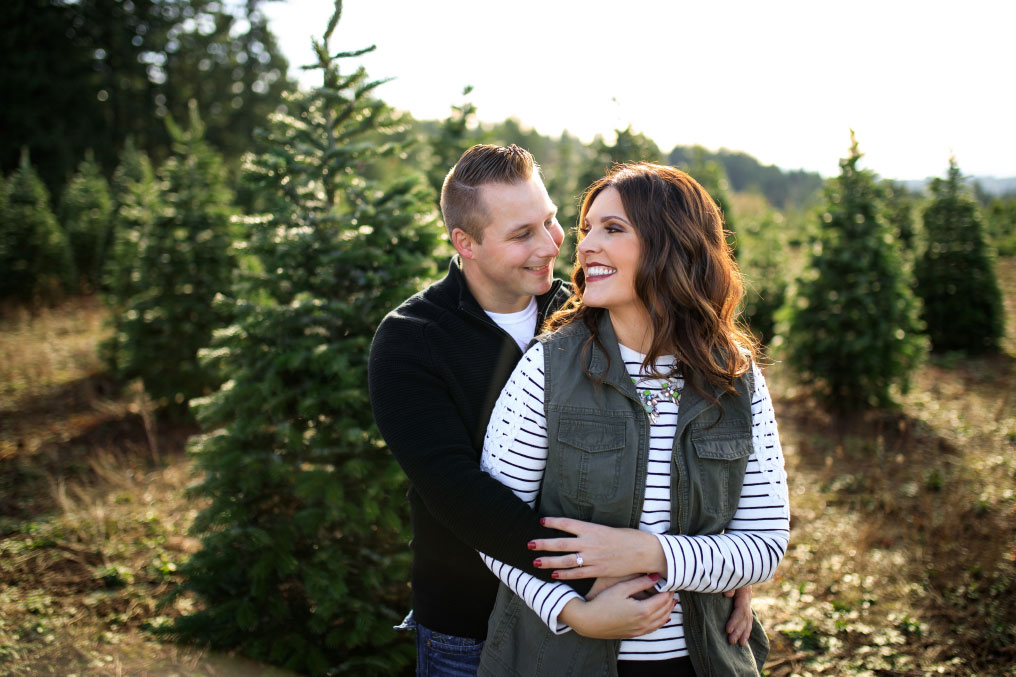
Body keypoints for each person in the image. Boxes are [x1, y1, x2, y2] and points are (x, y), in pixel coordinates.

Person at [368, 146, 753, 676]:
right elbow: (460, 495)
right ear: (467, 244)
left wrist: (715, 567)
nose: (553, 244)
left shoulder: (585, 309)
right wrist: (583, 595)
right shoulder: (412, 341)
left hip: (619, 609)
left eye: (550, 220)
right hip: (471, 619)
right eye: (522, 233)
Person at [475, 163, 790, 677]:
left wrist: (645, 552)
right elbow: (496, 529)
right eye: (588, 228)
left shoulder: (735, 376)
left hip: (701, 661)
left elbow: (764, 544)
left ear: (672, 244)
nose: (584, 245)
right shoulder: (547, 367)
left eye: (613, 229)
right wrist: (573, 610)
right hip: (564, 660)